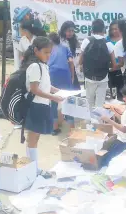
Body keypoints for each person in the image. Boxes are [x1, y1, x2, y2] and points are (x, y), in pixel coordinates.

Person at [24, 37, 64, 173]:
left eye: (50, 52)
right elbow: (34, 89)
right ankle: (33, 168)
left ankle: (32, 167)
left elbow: (44, 85)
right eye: (46, 52)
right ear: (36, 50)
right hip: (36, 106)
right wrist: (53, 97)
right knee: (33, 139)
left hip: (42, 104)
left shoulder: (42, 65)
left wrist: (57, 91)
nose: (48, 55)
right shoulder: (35, 66)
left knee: (35, 138)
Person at [100, 82, 126, 166]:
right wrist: (113, 112)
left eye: (125, 96)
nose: (123, 99)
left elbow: (124, 129)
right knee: (104, 155)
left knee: (109, 162)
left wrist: (109, 120)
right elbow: (123, 120)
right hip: (121, 138)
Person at [79, 19, 117, 108]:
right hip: (103, 78)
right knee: (100, 103)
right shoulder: (108, 44)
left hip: (89, 77)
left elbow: (80, 61)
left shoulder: (86, 41)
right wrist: (108, 69)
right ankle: (98, 121)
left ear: (92, 30)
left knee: (89, 101)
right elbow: (114, 65)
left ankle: (90, 121)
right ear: (104, 30)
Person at [48, 32, 75, 135]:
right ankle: (72, 130)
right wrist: (72, 76)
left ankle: (54, 128)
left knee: (53, 102)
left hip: (52, 74)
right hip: (65, 75)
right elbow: (71, 62)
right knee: (68, 100)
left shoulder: (48, 49)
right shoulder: (65, 48)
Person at [59, 21, 81, 89]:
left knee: (76, 90)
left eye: (72, 31)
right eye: (68, 31)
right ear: (63, 31)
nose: (71, 33)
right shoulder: (59, 40)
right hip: (62, 69)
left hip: (72, 68)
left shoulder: (75, 40)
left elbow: (76, 56)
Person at [106, 20, 124, 101]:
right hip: (111, 68)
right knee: (112, 90)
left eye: (116, 29)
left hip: (122, 68)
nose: (114, 31)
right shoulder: (107, 39)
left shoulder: (124, 39)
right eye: (112, 29)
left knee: (122, 89)